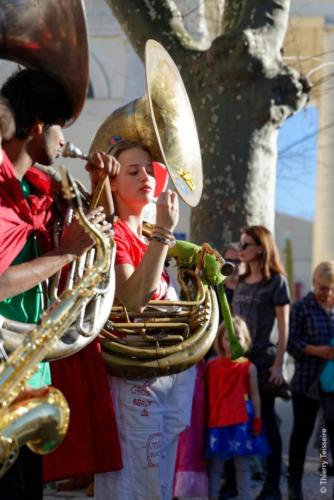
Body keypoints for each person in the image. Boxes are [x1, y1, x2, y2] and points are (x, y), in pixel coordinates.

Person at [0, 68, 118, 500]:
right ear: (35, 128)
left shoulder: (37, 188)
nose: (65, 140)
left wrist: (101, 188)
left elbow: (96, 238)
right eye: (59, 129)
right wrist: (64, 253)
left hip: (31, 374)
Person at [94, 139, 196, 500]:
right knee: (136, 480)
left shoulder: (146, 236)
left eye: (149, 170)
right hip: (134, 379)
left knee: (158, 480)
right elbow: (133, 301)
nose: (145, 177)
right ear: (114, 184)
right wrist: (166, 232)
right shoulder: (117, 232)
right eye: (133, 171)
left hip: (164, 380)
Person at [233, 225, 290, 500]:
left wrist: (278, 365)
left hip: (264, 361)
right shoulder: (241, 280)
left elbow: (284, 327)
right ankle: (231, 484)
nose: (241, 249)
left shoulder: (277, 282)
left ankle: (272, 486)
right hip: (237, 362)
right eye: (241, 244)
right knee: (234, 421)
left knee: (267, 422)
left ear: (260, 248)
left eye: (245, 244)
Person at [206, 316, 269, 500]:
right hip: (217, 421)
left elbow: (255, 395)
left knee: (242, 466)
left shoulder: (249, 367)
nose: (232, 342)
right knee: (215, 467)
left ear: (246, 340)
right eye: (228, 338)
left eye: (238, 338)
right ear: (220, 340)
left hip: (241, 423)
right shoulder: (211, 365)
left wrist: (258, 418)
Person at [287, 261, 334, 500]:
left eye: (330, 288)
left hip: (332, 386)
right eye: (322, 287)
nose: (326, 293)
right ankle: (294, 484)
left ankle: (326, 475)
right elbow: (291, 343)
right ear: (315, 283)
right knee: (301, 435)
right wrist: (319, 351)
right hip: (306, 382)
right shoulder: (302, 308)